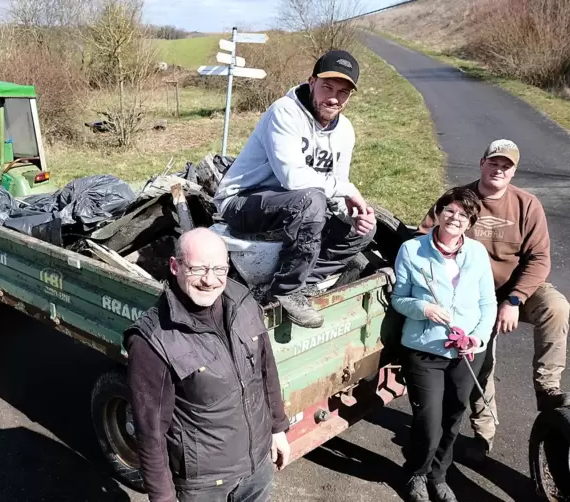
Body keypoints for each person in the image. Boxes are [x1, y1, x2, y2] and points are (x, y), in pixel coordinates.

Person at [418, 139, 570, 461]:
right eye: (494, 162)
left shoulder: (527, 205)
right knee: (480, 360)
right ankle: (483, 435)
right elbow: (424, 238)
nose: (499, 169)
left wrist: (514, 300)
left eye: (506, 166)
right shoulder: (457, 200)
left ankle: (547, 388)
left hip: (515, 287)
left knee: (557, 307)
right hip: (471, 295)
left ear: (513, 171)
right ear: (482, 162)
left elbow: (540, 258)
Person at [123, 227, 291, 502]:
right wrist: (163, 498)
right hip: (205, 486)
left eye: (219, 269)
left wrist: (278, 428)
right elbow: (150, 432)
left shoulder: (243, 302)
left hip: (257, 467)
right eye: (198, 268)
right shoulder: (153, 340)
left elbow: (265, 370)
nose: (209, 280)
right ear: (175, 266)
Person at [213, 49, 376, 328]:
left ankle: (304, 283)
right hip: (243, 201)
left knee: (364, 228)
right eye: (327, 87)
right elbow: (292, 178)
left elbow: (334, 184)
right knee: (311, 200)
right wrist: (346, 189)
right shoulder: (285, 112)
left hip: (297, 206)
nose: (334, 98)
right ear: (312, 82)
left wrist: (351, 215)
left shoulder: (345, 131)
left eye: (343, 92)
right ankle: (287, 290)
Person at [392, 187, 497, 502]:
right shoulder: (412, 250)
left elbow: (487, 303)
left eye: (463, 215)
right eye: (449, 210)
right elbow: (399, 299)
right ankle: (417, 474)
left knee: (453, 417)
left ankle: (439, 475)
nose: (455, 218)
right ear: (438, 213)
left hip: (466, 352)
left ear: (469, 222)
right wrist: (424, 309)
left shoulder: (477, 253)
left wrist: (476, 337)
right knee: (428, 421)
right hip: (425, 350)